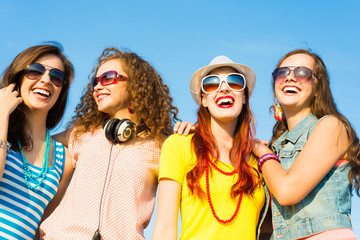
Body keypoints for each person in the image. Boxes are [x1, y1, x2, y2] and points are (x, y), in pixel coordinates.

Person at [40, 47, 178, 239]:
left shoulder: (162, 148)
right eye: (95, 81)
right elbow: (36, 142)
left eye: (108, 78)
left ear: (135, 84)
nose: (97, 86)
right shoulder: (82, 133)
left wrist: (192, 134)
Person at [152, 56, 270, 240]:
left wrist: (265, 155)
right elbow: (165, 229)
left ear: (245, 96)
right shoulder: (179, 145)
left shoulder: (260, 158)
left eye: (234, 82)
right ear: (203, 100)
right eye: (211, 84)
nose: (224, 88)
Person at [253, 49, 360, 239]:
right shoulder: (275, 148)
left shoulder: (331, 126)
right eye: (282, 73)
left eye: (302, 72)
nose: (290, 78)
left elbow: (287, 192)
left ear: (318, 88)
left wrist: (261, 152)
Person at [0, 43, 74, 239]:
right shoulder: (1, 126)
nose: (46, 80)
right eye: (35, 71)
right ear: (18, 77)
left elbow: (43, 230)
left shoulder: (63, 159)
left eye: (57, 77)